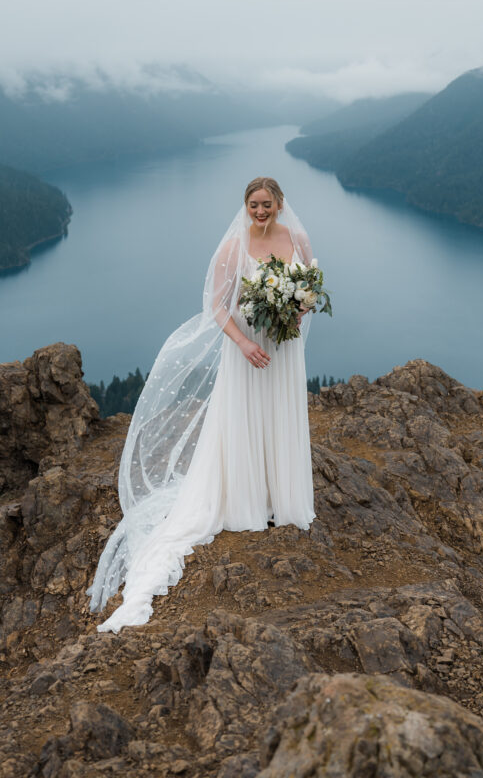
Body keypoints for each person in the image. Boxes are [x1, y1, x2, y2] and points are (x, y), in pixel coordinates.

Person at [86, 177, 316, 632]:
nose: (260, 211)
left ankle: (282, 497)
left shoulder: (298, 239)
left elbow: (307, 291)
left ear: (280, 204)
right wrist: (245, 344)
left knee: (280, 419)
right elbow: (216, 306)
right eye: (253, 204)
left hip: (284, 349)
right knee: (246, 421)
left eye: (267, 204)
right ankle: (248, 500)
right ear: (245, 206)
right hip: (246, 350)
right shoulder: (235, 247)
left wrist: (294, 311)